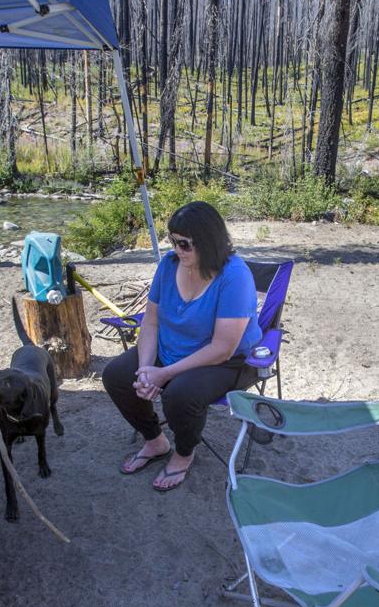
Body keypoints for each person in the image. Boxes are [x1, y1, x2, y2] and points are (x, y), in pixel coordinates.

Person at [102, 201, 262, 492]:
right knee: (117, 375)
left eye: (184, 244)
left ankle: (184, 453)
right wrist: (146, 370)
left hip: (227, 361)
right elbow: (150, 322)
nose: (176, 249)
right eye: (173, 241)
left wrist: (164, 375)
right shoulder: (169, 265)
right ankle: (155, 441)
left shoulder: (234, 276)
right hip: (173, 348)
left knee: (179, 394)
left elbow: (222, 348)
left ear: (207, 241)